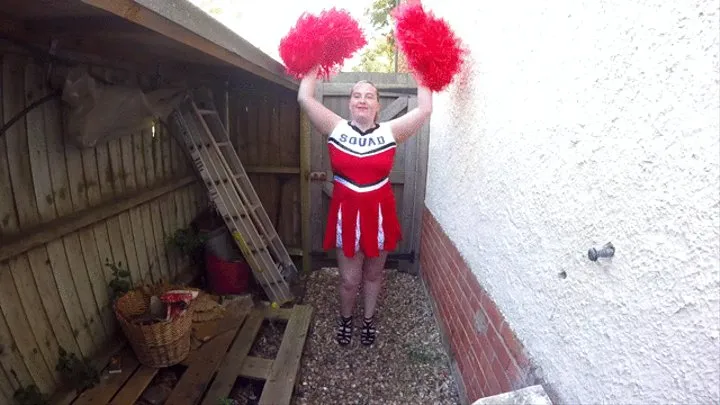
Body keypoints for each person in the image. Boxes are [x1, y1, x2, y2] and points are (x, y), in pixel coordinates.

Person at [297, 65, 433, 346]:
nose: (362, 100)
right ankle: (346, 319)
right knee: (348, 279)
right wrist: (311, 62)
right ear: (349, 103)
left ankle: (368, 320)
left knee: (373, 274)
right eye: (356, 95)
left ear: (377, 105)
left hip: (379, 214)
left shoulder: (389, 132)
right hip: (346, 214)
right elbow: (304, 99)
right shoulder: (334, 127)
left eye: (369, 96)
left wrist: (424, 70)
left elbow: (424, 110)